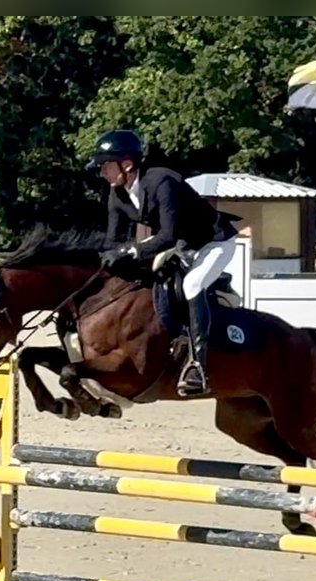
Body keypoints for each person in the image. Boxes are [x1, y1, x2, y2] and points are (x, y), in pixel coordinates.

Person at [86, 129, 240, 397]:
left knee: (192, 285)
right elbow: (113, 240)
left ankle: (198, 366)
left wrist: (132, 251)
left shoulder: (161, 181)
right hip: (181, 245)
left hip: (213, 242)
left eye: (105, 166)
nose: (102, 173)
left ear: (127, 164)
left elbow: (167, 235)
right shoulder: (117, 194)